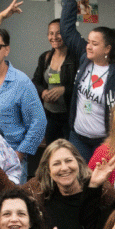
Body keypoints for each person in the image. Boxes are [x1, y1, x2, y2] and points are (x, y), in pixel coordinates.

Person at [0, 139, 115, 229]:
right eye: (56, 164)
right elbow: (12, 196)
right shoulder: (37, 190)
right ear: (48, 170)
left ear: (78, 163)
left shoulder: (101, 189)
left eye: (68, 161)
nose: (64, 168)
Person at [60, 0, 115, 161]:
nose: (89, 46)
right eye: (89, 42)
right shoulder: (86, 59)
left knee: (100, 184)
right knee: (78, 180)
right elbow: (67, 31)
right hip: (77, 137)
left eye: (95, 43)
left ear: (107, 49)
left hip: (104, 142)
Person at [0, 27, 47, 164]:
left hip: (10, 160)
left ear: (7, 50)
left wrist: (19, 154)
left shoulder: (21, 82)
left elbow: (39, 122)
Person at [33, 19, 78, 149]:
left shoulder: (75, 59)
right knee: (51, 151)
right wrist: (43, 92)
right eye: (51, 33)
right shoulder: (45, 57)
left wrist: (64, 90)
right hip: (50, 115)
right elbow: (35, 81)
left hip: (69, 117)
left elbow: (83, 86)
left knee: (71, 152)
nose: (54, 37)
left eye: (58, 33)